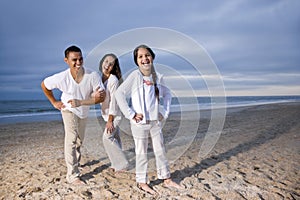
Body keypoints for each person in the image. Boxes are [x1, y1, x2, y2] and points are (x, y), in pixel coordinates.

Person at [115, 44, 184, 195]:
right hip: (139, 123)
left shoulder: (158, 77)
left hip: (155, 122)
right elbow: (119, 94)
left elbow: (167, 95)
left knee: (160, 150)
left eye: (147, 55)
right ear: (136, 61)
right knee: (141, 153)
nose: (144, 59)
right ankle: (142, 182)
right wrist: (131, 113)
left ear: (152, 56)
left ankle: (166, 179)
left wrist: (163, 112)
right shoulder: (134, 76)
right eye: (140, 57)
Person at [41, 45, 106, 185]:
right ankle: (73, 175)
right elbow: (44, 85)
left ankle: (76, 162)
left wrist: (81, 102)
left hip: (83, 110)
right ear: (66, 60)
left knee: (79, 140)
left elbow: (102, 97)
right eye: (74, 60)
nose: (78, 63)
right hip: (68, 109)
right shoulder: (61, 77)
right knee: (71, 139)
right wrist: (54, 102)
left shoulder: (92, 75)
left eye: (80, 59)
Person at [99, 53, 128, 172]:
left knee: (107, 138)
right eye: (106, 61)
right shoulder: (100, 78)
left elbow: (114, 102)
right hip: (106, 115)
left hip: (115, 115)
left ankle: (123, 163)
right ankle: (116, 164)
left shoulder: (113, 80)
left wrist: (110, 120)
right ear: (102, 62)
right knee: (115, 137)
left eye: (111, 64)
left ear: (114, 67)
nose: (107, 65)